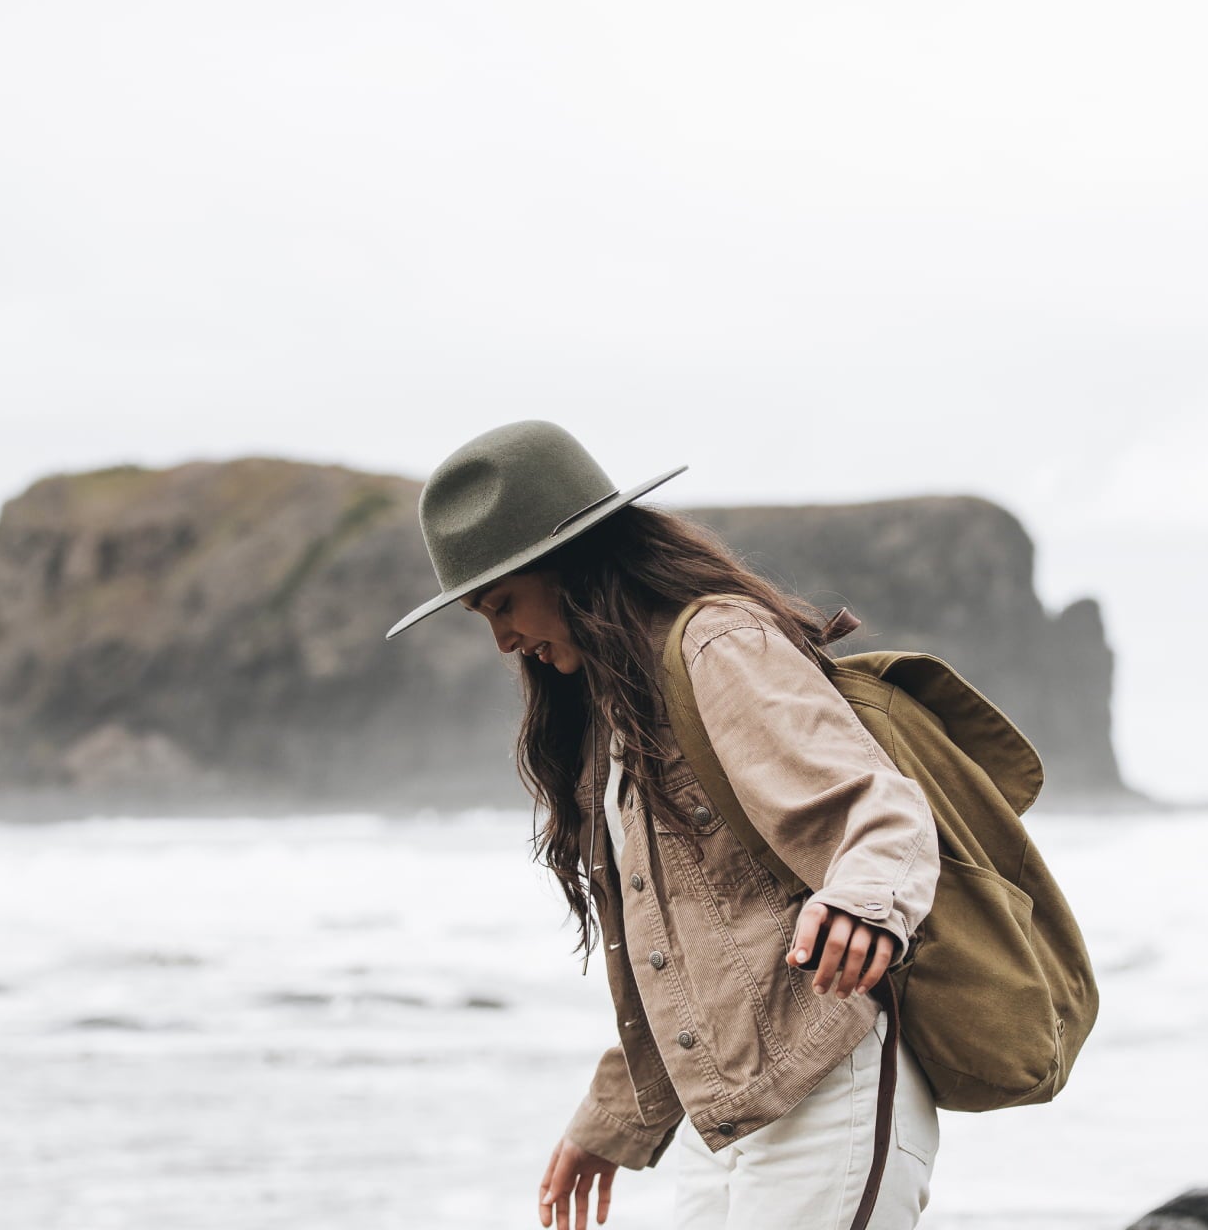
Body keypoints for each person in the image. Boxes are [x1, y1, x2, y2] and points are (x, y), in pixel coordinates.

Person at [387, 421, 941, 1230]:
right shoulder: (617, 713)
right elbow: (690, 947)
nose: (503, 639)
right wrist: (615, 1117)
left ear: (572, 563)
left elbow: (883, 805)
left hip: (832, 1075)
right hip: (728, 1113)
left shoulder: (719, 645)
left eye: (503, 603)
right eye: (482, 614)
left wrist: (864, 902)